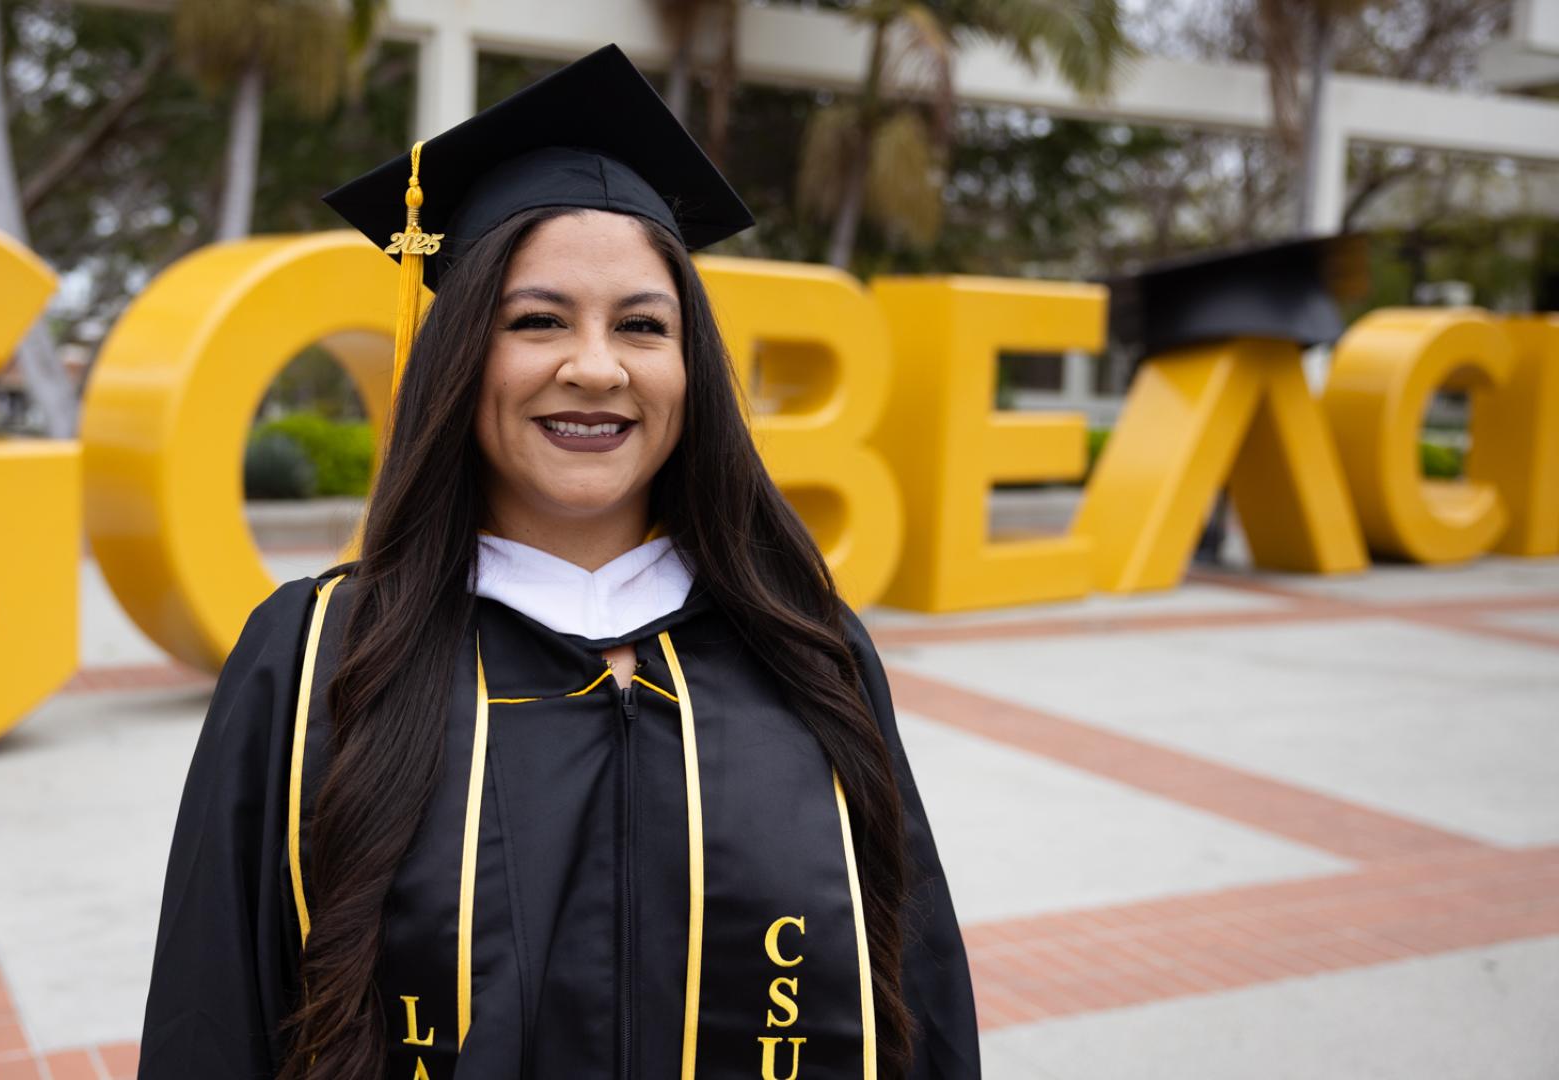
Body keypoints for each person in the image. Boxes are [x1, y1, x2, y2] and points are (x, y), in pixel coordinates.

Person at [139, 44, 979, 1080]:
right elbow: (211, 1018)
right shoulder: (317, 665)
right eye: (536, 321)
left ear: (690, 369)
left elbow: (920, 998)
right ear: (459, 358)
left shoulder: (809, 652)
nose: (595, 366)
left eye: (641, 324)